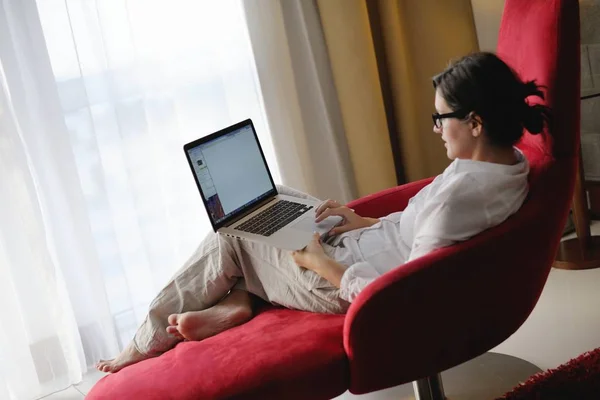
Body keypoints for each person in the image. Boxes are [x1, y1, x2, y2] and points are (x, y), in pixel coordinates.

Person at [96, 52, 550, 373]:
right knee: (274, 197)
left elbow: (405, 295)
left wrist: (320, 262)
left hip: (339, 281)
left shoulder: (461, 195)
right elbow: (421, 235)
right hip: (358, 247)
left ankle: (143, 343)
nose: (435, 129)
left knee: (232, 231)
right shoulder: (508, 164)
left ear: (474, 122)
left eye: (440, 118)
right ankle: (238, 302)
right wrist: (364, 222)